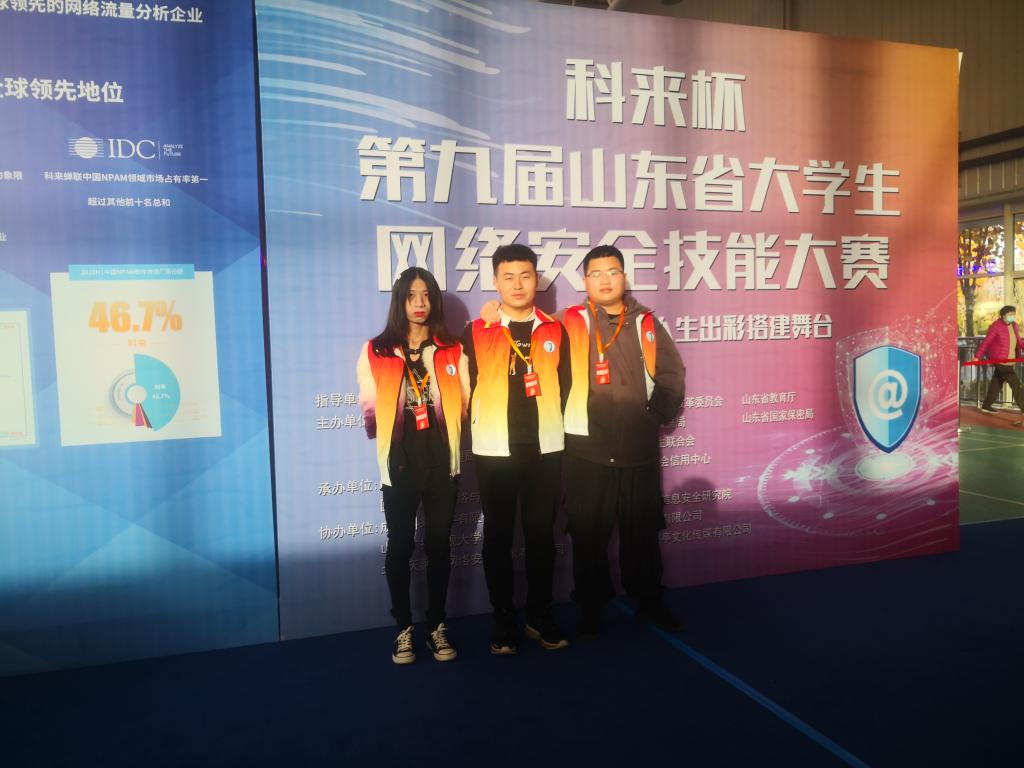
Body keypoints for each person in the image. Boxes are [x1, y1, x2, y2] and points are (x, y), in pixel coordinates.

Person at [482, 244, 685, 636]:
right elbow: (524, 325)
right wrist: (494, 311)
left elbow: (672, 375)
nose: (605, 280)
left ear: (624, 277)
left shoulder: (646, 322)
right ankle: (591, 607)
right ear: (584, 280)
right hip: (586, 449)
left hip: (638, 449)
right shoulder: (567, 321)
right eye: (596, 273)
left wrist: (652, 417)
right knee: (588, 534)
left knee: (642, 532)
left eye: (613, 272)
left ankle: (649, 601)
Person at [462, 244, 572, 655]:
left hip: (545, 447)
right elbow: (461, 389)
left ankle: (539, 613)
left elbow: (568, 386)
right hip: (495, 450)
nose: (518, 284)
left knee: (542, 535)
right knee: (498, 536)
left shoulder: (554, 329)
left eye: (526, 275)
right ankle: (503, 616)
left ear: (537, 280)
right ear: (495, 282)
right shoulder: (477, 330)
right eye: (508, 277)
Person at [357, 267, 470, 664]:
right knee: (401, 545)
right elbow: (371, 411)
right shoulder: (376, 350)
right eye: (411, 296)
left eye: (426, 295)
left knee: (439, 545)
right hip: (400, 464)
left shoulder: (452, 349)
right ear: (400, 301)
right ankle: (403, 628)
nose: (420, 303)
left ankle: (437, 625)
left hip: (442, 464)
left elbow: (464, 403)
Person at [976, 304, 1024, 425]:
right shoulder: (996, 326)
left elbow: (1019, 342)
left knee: (996, 382)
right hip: (1000, 361)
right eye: (1010, 314)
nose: (1012, 316)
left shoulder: (1014, 326)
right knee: (1016, 385)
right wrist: (977, 356)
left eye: (1013, 314)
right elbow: (986, 342)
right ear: (1003, 315)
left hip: (1010, 360)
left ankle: (986, 405)